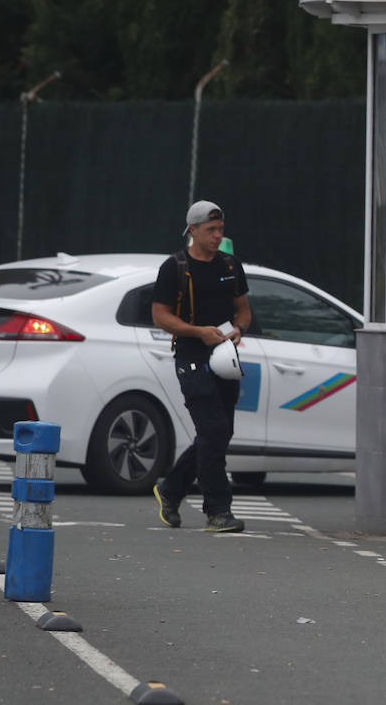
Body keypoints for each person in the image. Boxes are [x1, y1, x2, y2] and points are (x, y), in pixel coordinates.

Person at [150, 200, 252, 534]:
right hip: (191, 357)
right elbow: (161, 316)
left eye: (221, 229)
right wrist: (198, 332)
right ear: (192, 230)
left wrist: (239, 329)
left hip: (225, 358)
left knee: (220, 433)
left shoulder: (230, 264)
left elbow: (244, 310)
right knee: (212, 431)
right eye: (211, 230)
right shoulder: (175, 267)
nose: (217, 236)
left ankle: (170, 490)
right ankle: (218, 511)